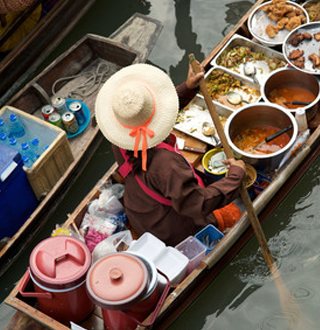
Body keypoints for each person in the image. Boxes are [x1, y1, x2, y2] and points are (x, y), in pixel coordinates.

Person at [95, 63, 246, 246]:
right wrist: (235, 176)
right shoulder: (166, 164)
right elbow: (198, 204)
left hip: (141, 214)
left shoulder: (120, 139)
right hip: (172, 232)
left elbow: (160, 110)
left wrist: (188, 87)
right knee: (233, 212)